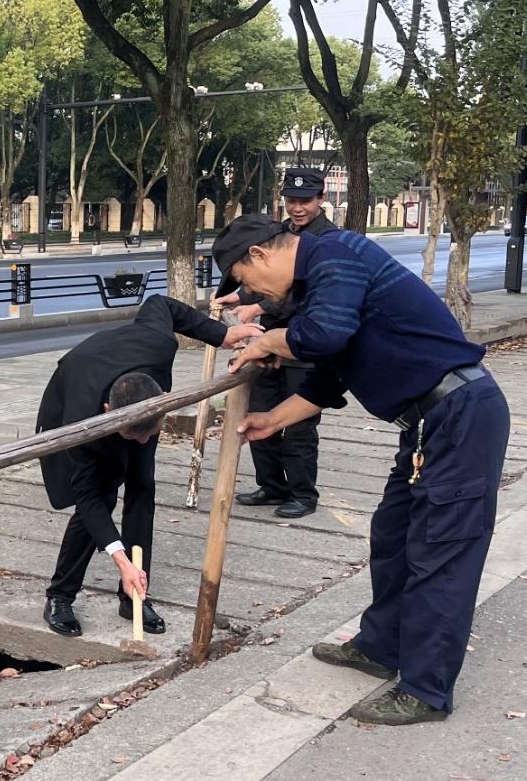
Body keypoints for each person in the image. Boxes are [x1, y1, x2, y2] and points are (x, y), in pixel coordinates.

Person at [212, 214, 510, 726]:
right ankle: (380, 647)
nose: (249, 292)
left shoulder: (334, 255)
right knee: (392, 535)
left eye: (244, 279)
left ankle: (426, 690)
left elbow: (322, 336)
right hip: (424, 424)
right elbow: (330, 376)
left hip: (460, 416)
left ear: (260, 255)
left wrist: (266, 340)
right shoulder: (317, 284)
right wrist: (272, 421)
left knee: (440, 551)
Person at [37, 294, 261, 637]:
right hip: (75, 400)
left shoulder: (157, 345)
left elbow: (160, 303)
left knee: (142, 490)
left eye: (150, 435)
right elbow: (88, 497)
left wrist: (220, 333)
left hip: (138, 406)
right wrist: (121, 560)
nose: (143, 444)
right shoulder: (82, 427)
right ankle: (60, 596)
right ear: (112, 413)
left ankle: (133, 597)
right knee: (99, 500)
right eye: (135, 437)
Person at [224, 167, 337, 519]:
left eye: (305, 201)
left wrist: (257, 305)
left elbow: (299, 294)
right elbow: (261, 275)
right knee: (259, 412)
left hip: (305, 345)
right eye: (291, 201)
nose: (297, 208)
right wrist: (238, 295)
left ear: (321, 200)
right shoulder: (281, 234)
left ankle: (303, 494)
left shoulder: (327, 242)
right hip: (268, 343)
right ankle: (271, 485)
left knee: (299, 424)